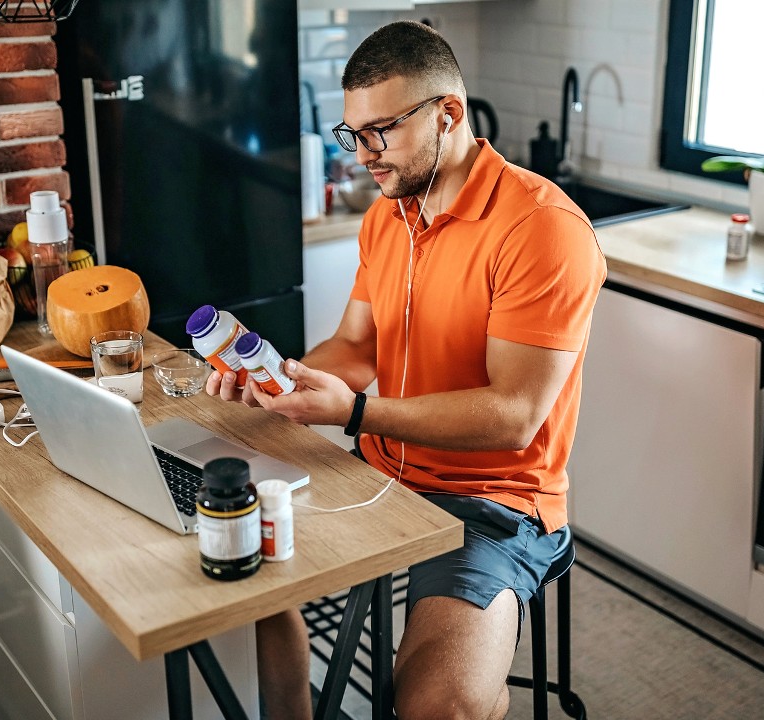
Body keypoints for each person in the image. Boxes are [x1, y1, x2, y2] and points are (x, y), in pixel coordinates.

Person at [212, 20, 607, 720]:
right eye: (352, 134)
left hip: (493, 503)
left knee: (435, 708)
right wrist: (277, 379)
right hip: (376, 475)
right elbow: (359, 349)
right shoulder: (389, 213)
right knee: (232, 575)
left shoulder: (542, 229)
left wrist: (357, 414)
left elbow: (515, 416)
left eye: (381, 132)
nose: (363, 154)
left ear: (447, 115)